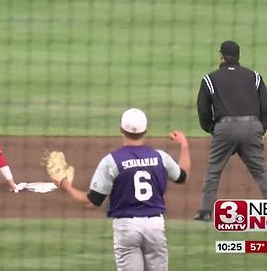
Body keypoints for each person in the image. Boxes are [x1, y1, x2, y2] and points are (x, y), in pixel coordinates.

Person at [52, 108, 190, 271]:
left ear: (121, 130)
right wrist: (184, 145)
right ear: (145, 131)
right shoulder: (160, 156)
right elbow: (183, 176)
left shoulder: (111, 161)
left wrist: (66, 186)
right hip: (155, 226)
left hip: (126, 228)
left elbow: (92, 201)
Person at [193, 40, 267, 222]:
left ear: (221, 56)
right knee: (260, 170)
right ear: (238, 56)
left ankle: (205, 212)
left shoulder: (210, 79)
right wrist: (260, 129)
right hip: (252, 126)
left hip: (224, 128)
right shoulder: (255, 76)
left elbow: (203, 109)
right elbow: (264, 105)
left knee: (214, 170)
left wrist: (211, 128)